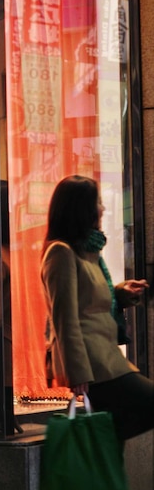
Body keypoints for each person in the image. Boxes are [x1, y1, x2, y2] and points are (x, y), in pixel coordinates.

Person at [41, 175, 153, 445]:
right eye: (98, 203)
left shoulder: (88, 252)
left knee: (113, 433)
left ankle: (100, 449)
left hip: (106, 358)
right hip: (93, 365)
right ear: (82, 210)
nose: (103, 209)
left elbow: (90, 300)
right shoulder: (61, 253)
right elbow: (64, 319)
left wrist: (121, 293)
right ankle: (96, 444)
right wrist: (78, 374)